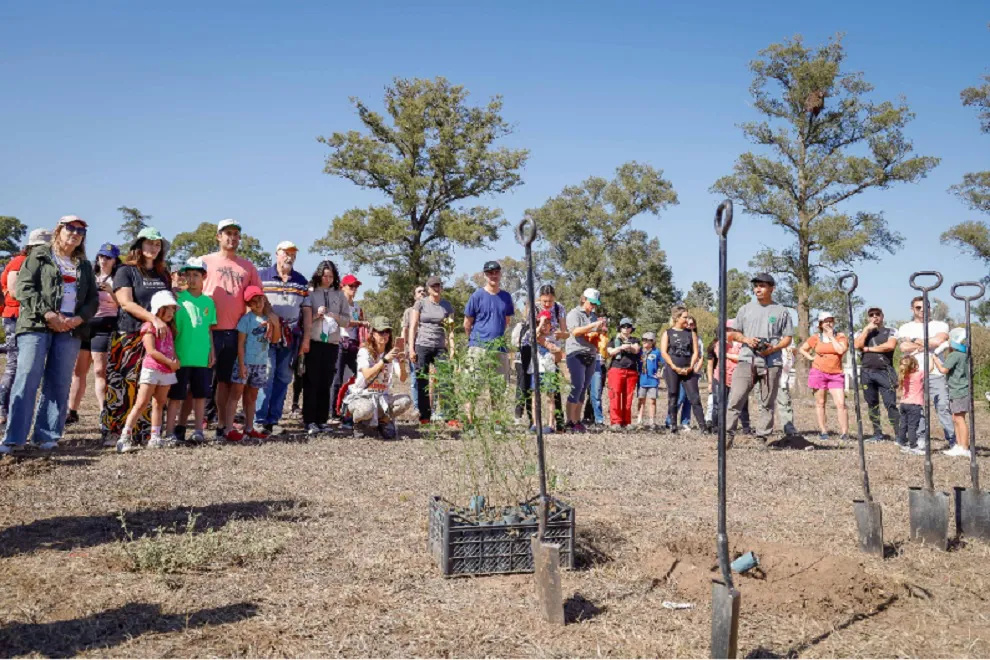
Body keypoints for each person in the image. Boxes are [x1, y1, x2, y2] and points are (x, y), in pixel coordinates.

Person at [1, 216, 98, 454]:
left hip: (70, 327)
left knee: (59, 382)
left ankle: (47, 436)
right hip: (36, 323)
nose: (75, 233)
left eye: (81, 230)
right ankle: (14, 438)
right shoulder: (40, 255)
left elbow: (92, 299)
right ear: (58, 230)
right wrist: (47, 313)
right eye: (71, 228)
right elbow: (24, 287)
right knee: (27, 377)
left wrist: (78, 318)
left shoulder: (84, 265)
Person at [101, 227, 171, 447]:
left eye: (157, 244)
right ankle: (114, 431)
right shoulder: (126, 271)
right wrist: (154, 319)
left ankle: (143, 432)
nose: (153, 247)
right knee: (121, 385)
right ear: (139, 246)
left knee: (149, 385)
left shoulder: (162, 274)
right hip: (128, 334)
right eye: (149, 243)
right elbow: (126, 302)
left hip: (156, 337)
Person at [202, 218, 272, 442]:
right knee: (201, 379)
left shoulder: (247, 266)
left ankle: (223, 424)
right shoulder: (204, 262)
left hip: (235, 331)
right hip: (206, 330)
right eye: (227, 233)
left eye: (236, 234)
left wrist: (271, 317)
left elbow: (259, 296)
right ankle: (194, 424)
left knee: (225, 381)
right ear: (218, 236)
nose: (232, 237)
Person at [725, 273, 794, 446]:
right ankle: (727, 435)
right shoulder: (745, 309)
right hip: (747, 360)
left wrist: (774, 348)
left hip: (772, 362)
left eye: (762, 285)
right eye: (756, 285)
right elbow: (733, 334)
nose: (758, 289)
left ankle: (761, 437)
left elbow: (788, 338)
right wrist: (746, 340)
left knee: (767, 402)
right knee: (736, 398)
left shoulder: (781, 311)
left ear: (772, 288)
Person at [255, 241, 309, 434]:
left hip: (291, 337)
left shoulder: (301, 281)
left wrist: (306, 338)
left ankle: (273, 419)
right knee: (266, 375)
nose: (289, 256)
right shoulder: (262, 276)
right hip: (266, 335)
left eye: (293, 253)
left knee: (284, 377)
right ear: (277, 253)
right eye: (286, 252)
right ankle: (259, 419)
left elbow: (306, 311)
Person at [0, 228, 51, 426]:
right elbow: (14, 290)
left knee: (25, 366)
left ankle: (15, 410)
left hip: (31, 318)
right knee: (15, 365)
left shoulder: (40, 263)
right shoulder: (19, 262)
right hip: (16, 317)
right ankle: (3, 408)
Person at [118, 291, 180, 452]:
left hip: (166, 372)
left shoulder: (169, 328)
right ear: (159, 309)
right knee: (141, 403)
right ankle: (125, 436)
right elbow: (151, 351)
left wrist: (175, 360)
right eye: (169, 309)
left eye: (173, 310)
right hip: (152, 369)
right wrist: (169, 362)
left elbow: (170, 349)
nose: (172, 313)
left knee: (159, 403)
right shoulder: (148, 327)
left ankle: (155, 436)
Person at [66, 242, 119, 426]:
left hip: (106, 325)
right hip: (86, 325)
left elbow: (124, 304)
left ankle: (104, 413)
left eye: (109, 257)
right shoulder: (91, 276)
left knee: (99, 371)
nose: (104, 260)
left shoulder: (117, 279)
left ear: (115, 260)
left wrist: (111, 292)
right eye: (101, 256)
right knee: (78, 371)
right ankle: (72, 411)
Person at [165, 257, 216, 444]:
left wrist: (212, 351)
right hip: (180, 356)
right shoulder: (177, 299)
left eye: (196, 275)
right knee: (176, 396)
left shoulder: (208, 303)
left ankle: (198, 431)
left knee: (200, 396)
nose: (192, 279)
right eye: (189, 275)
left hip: (201, 357)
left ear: (204, 277)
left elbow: (209, 330)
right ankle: (170, 432)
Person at [897, 297, 954, 450]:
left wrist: (915, 341)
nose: (922, 310)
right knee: (917, 408)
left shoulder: (940, 324)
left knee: (942, 405)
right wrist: (928, 343)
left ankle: (952, 439)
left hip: (935, 372)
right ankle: (920, 438)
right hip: (913, 374)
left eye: (925, 307)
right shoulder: (905, 327)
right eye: (918, 308)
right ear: (912, 309)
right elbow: (903, 347)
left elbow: (939, 341)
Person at [300, 260, 349, 436]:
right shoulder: (311, 294)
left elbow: (347, 320)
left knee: (326, 382)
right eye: (324, 275)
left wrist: (336, 316)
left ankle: (322, 419)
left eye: (331, 276)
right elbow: (303, 319)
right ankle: (309, 420)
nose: (327, 279)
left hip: (332, 344)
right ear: (319, 275)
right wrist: (316, 315)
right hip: (313, 341)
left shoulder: (340, 295)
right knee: (311, 381)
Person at [343, 316, 412, 440]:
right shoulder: (364, 352)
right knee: (366, 409)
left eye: (387, 332)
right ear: (373, 333)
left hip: (382, 397)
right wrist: (384, 361)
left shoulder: (391, 352)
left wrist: (401, 363)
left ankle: (383, 422)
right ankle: (358, 423)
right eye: (381, 332)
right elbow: (367, 375)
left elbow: (402, 379)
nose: (384, 335)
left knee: (405, 401)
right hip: (362, 395)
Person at [515, 285, 569, 424]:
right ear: (540, 298)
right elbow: (532, 331)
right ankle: (532, 420)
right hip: (532, 347)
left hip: (550, 351)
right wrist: (546, 342)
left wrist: (561, 335)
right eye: (545, 301)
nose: (547, 304)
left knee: (553, 386)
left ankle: (557, 421)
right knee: (529, 384)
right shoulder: (534, 308)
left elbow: (565, 332)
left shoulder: (559, 308)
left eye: (550, 301)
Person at [235, 286, 279, 441]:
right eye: (253, 301)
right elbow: (240, 343)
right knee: (238, 393)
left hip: (260, 363)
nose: (258, 303)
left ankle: (249, 427)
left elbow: (274, 340)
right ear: (248, 304)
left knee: (252, 396)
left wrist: (275, 323)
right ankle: (229, 426)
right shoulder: (246, 320)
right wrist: (241, 364)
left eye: (260, 299)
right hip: (246, 361)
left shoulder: (268, 320)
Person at [409, 275, 454, 424]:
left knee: (446, 381)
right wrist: (411, 348)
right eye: (433, 286)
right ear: (428, 288)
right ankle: (425, 416)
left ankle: (450, 415)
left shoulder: (447, 306)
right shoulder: (420, 304)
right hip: (422, 345)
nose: (436, 288)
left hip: (440, 347)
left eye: (438, 285)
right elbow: (413, 326)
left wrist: (452, 348)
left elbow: (451, 329)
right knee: (422, 381)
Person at [798, 311, 849, 441]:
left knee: (841, 403)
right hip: (818, 372)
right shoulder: (815, 337)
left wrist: (832, 337)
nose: (828, 323)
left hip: (836, 374)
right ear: (820, 324)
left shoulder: (840, 336)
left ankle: (844, 432)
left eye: (831, 320)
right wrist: (811, 357)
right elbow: (802, 349)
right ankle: (823, 430)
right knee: (820, 402)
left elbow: (840, 350)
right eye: (826, 321)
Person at [464, 261, 515, 383]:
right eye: (490, 273)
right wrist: (473, 342)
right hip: (478, 347)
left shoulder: (506, 297)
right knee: (473, 389)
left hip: (499, 348)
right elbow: (467, 323)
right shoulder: (477, 296)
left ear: (500, 274)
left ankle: (495, 403)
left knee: (499, 389)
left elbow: (507, 321)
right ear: (485, 275)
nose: (494, 275)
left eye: (496, 272)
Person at [854, 307, 900, 441]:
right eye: (871, 315)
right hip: (867, 372)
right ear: (868, 318)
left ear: (882, 316)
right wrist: (865, 331)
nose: (875, 317)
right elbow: (857, 345)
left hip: (885, 372)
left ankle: (898, 434)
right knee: (872, 404)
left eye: (877, 314)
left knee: (890, 404)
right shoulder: (861, 332)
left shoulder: (891, 331)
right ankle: (877, 433)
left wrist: (868, 349)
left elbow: (890, 346)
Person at [564, 288, 606, 433]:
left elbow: (595, 333)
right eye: (591, 302)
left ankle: (577, 420)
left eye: (595, 303)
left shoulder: (594, 316)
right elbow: (575, 331)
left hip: (591, 353)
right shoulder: (574, 314)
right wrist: (593, 326)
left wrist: (601, 329)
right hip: (576, 353)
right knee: (577, 385)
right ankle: (569, 420)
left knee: (583, 389)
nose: (593, 306)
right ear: (583, 299)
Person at [660, 307, 706, 433]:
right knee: (673, 396)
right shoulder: (667, 333)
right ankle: (673, 426)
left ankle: (703, 427)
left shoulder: (691, 333)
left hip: (688, 369)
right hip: (673, 369)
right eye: (684, 317)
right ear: (677, 318)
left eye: (687, 316)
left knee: (694, 397)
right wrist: (674, 367)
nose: (687, 319)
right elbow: (664, 352)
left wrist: (691, 367)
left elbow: (696, 352)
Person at [330, 273, 368, 421]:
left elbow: (361, 325)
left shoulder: (357, 306)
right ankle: (333, 412)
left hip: (354, 345)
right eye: (351, 286)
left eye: (356, 286)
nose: (354, 288)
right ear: (342, 287)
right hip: (339, 342)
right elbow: (343, 322)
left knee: (360, 376)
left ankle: (354, 408)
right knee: (337, 379)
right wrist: (360, 323)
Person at [707, 321, 751, 434]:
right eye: (727, 330)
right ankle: (716, 427)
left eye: (731, 329)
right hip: (720, 378)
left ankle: (746, 428)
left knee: (742, 404)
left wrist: (731, 356)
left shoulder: (741, 344)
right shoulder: (719, 343)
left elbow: (744, 357)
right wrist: (736, 356)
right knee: (719, 404)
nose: (729, 332)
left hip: (737, 378)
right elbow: (721, 354)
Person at [933, 330, 971, 458]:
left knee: (959, 419)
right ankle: (960, 446)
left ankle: (964, 447)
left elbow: (943, 369)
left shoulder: (954, 355)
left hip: (959, 390)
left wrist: (935, 358)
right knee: (956, 418)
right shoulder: (964, 354)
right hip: (960, 389)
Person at [529, 309, 563, 433]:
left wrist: (555, 350)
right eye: (541, 323)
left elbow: (559, 354)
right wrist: (540, 322)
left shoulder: (554, 337)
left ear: (550, 324)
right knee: (535, 397)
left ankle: (550, 424)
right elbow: (532, 336)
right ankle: (535, 423)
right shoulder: (536, 336)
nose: (543, 326)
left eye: (546, 323)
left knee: (550, 398)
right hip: (537, 370)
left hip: (549, 370)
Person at [606, 318, 641, 430]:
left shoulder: (635, 340)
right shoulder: (614, 339)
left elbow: (637, 350)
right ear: (620, 328)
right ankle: (615, 422)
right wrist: (620, 347)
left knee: (628, 397)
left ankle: (626, 421)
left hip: (631, 371)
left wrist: (629, 346)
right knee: (615, 395)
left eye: (628, 326)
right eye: (623, 326)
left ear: (631, 328)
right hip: (616, 369)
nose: (626, 329)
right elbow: (610, 352)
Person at [402, 285, 428, 411]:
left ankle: (429, 408)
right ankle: (417, 408)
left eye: (424, 291)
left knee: (430, 380)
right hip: (414, 349)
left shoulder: (431, 310)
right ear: (414, 296)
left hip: (429, 348)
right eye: (419, 291)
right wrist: (404, 348)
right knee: (415, 379)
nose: (422, 293)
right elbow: (405, 330)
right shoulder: (409, 311)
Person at [896, 355, 924, 453]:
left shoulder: (903, 375)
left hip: (903, 404)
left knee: (903, 424)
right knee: (912, 426)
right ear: (915, 365)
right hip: (914, 404)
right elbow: (931, 369)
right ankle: (913, 446)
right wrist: (933, 358)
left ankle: (902, 442)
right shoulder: (919, 374)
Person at [636, 331, 661, 429]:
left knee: (652, 401)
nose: (645, 342)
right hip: (642, 379)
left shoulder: (656, 352)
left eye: (648, 340)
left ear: (653, 341)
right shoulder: (639, 351)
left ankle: (652, 421)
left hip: (652, 380)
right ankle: (639, 420)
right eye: (643, 339)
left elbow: (662, 363)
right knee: (641, 400)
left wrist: (660, 372)